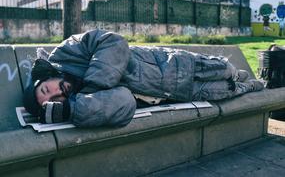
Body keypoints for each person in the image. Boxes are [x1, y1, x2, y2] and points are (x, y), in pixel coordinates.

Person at [23, 29, 264, 128]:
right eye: (54, 101)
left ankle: (241, 75)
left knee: (227, 70)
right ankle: (250, 85)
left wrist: (94, 84)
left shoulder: (67, 52)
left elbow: (112, 41)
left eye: (47, 90)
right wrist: (71, 111)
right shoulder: (83, 101)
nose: (58, 93)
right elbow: (124, 101)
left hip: (175, 67)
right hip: (175, 96)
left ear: (46, 77)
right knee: (229, 91)